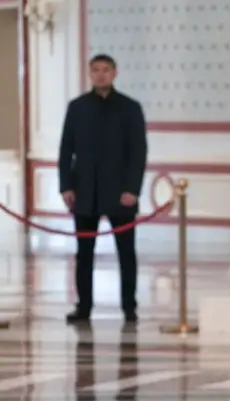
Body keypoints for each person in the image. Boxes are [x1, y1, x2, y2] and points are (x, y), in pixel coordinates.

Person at [58, 54, 148, 324]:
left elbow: (138, 152)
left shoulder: (130, 108)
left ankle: (129, 306)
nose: (100, 75)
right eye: (95, 70)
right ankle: (83, 306)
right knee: (84, 253)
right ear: (90, 74)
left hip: (121, 192)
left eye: (105, 70)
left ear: (114, 73)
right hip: (85, 191)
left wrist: (132, 189)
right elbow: (66, 150)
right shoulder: (77, 107)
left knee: (126, 253)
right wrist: (66, 186)